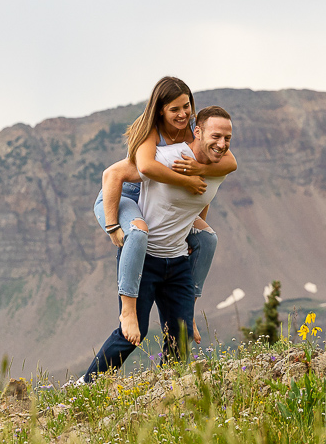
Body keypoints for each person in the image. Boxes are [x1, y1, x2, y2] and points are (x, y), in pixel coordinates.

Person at [83, 106, 234, 380]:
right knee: (129, 337)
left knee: (181, 340)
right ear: (197, 131)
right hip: (146, 258)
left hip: (177, 263)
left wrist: (191, 229)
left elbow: (202, 200)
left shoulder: (220, 166)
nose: (222, 144)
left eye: (228, 139)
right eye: (216, 136)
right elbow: (112, 176)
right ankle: (82, 388)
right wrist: (112, 226)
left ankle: (166, 396)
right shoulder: (166, 157)